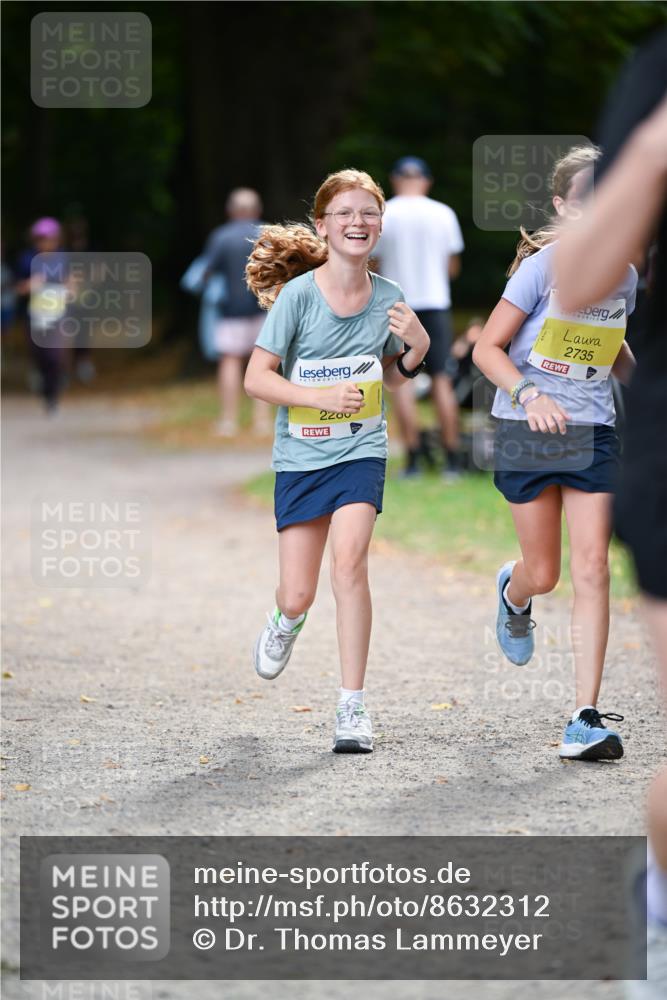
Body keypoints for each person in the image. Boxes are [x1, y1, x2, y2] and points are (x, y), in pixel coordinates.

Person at [244, 169, 429, 753]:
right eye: (345, 214)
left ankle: (353, 706)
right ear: (323, 226)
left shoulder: (392, 298)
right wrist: (317, 397)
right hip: (302, 456)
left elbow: (392, 381)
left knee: (349, 565)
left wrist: (417, 350)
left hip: (360, 449)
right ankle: (286, 623)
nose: (358, 223)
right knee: (296, 592)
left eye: (369, 213)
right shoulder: (299, 298)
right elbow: (256, 379)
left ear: (381, 224)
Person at [555, 32, 667, 998]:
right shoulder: (657, 74)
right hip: (592, 439)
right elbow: (571, 286)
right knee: (558, 572)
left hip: (607, 420)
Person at [472, 145, 638, 762]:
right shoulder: (542, 267)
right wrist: (529, 391)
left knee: (594, 567)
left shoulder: (624, 273)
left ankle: (584, 718)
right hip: (525, 427)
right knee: (546, 573)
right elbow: (487, 349)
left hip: (591, 429)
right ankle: (514, 595)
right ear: (563, 206)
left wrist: (644, 394)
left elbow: (610, 347)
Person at [374, 156, 464, 478]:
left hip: (398, 304)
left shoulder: (386, 214)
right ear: (426, 181)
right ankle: (452, 460)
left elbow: (375, 265)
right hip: (435, 303)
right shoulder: (443, 213)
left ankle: (413, 460)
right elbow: (452, 267)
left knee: (402, 381)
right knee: (442, 379)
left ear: (396, 180)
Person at [202, 188, 272, 436]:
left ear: (231, 210)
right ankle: (262, 421)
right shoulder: (267, 234)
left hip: (230, 311)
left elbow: (206, 272)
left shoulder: (221, 237)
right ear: (257, 210)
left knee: (230, 361)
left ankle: (229, 420)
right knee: (263, 364)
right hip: (265, 310)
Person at [15, 218, 70, 413]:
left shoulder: (64, 259)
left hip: (58, 314)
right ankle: (43, 379)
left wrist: (70, 289)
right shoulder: (26, 259)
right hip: (35, 316)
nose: (45, 243)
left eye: (49, 239)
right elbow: (18, 288)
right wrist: (30, 285)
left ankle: (52, 395)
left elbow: (72, 284)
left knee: (54, 355)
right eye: (41, 239)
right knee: (40, 355)